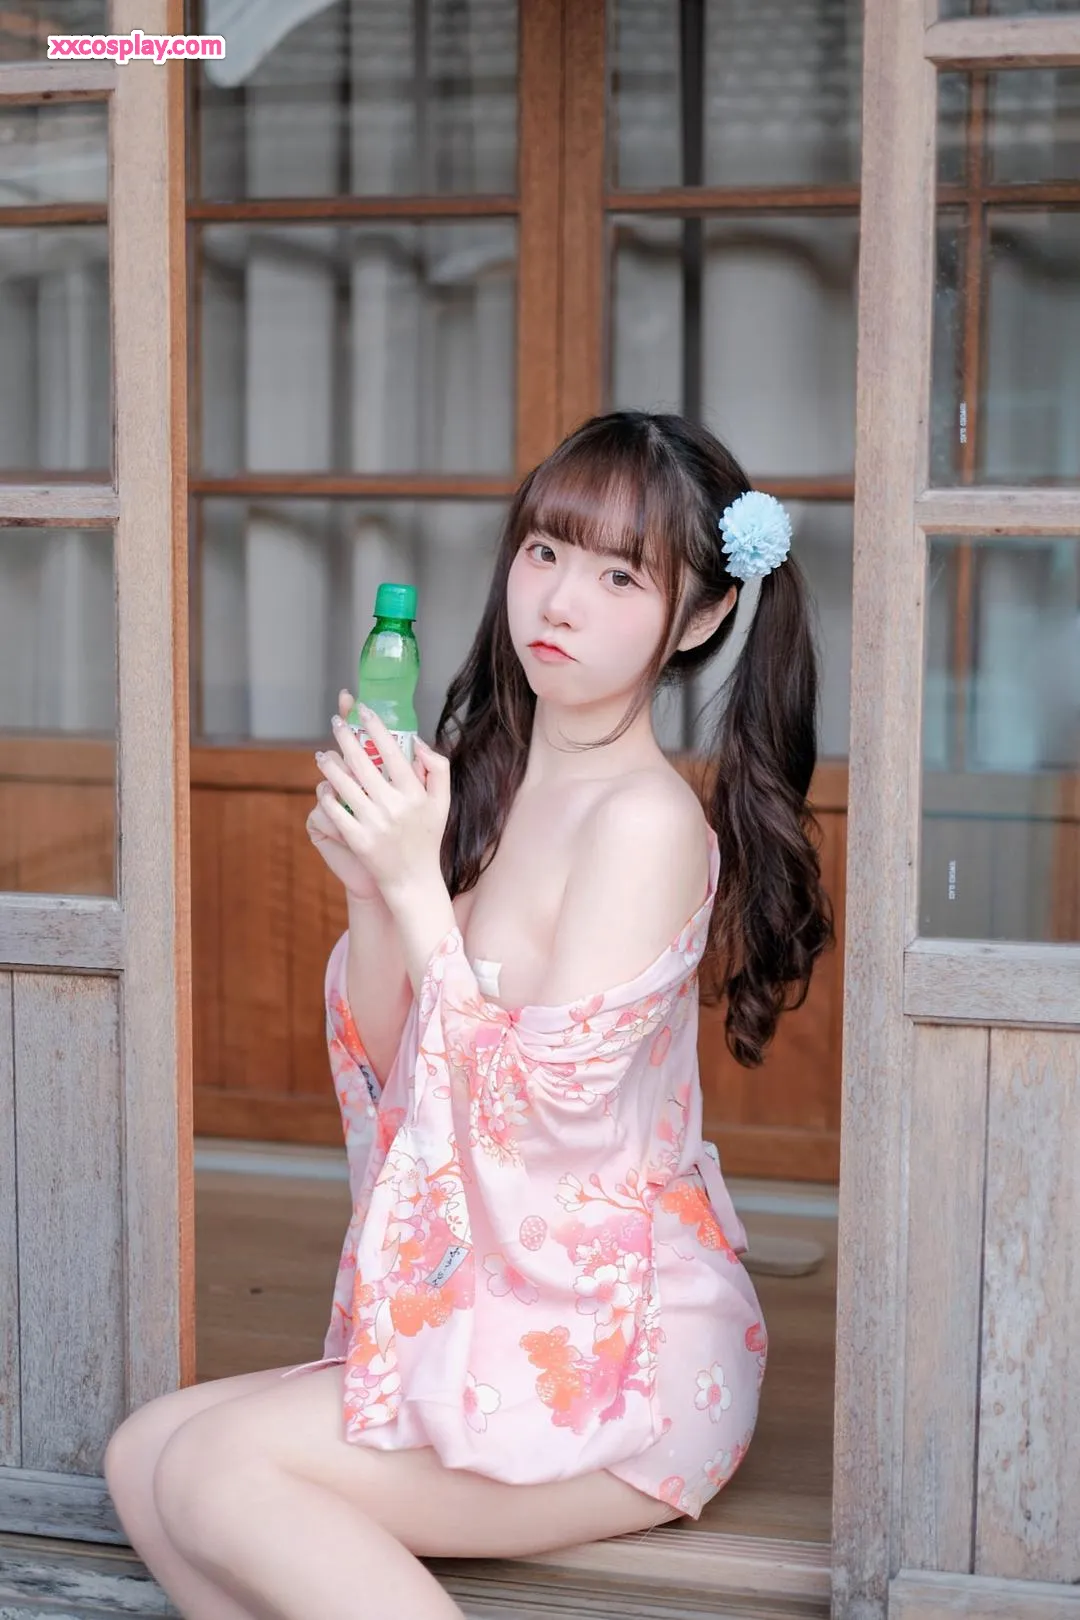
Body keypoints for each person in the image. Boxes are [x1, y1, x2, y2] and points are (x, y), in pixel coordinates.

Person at [104, 411, 833, 1620]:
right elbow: (401, 1072)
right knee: (142, 1456)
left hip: (623, 1354)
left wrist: (412, 889)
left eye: (619, 577)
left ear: (701, 619)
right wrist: (373, 892)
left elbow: (538, 1122)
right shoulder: (492, 791)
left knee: (215, 1470)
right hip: (504, 1309)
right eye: (545, 551)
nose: (561, 599)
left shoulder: (646, 824)